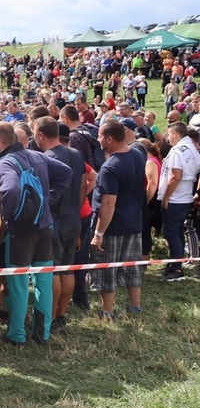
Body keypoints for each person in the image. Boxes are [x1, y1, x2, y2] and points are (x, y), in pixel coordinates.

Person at [0, 121, 72, 345]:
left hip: (21, 232)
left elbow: (10, 190)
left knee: (18, 282)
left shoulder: (7, 162)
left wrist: (10, 218)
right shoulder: (38, 156)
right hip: (45, 227)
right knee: (43, 280)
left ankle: (16, 334)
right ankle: (42, 332)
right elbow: (66, 172)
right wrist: (49, 199)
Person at [32, 117, 86, 332]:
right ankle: (61, 314)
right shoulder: (77, 154)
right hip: (73, 217)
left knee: (53, 270)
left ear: (40, 135)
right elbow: (84, 185)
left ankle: (51, 316)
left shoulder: (46, 158)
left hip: (55, 219)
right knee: (68, 269)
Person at [91, 120, 146, 318]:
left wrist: (99, 233)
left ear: (109, 139)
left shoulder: (110, 167)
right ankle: (135, 307)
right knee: (132, 267)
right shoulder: (138, 155)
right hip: (134, 222)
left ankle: (107, 312)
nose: (98, 140)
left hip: (112, 227)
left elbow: (108, 204)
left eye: (99, 136)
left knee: (107, 270)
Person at [157, 122, 200, 281]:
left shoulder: (177, 151)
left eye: (169, 135)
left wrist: (166, 197)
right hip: (185, 196)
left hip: (175, 198)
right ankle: (176, 261)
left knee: (171, 233)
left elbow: (175, 177)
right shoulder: (192, 148)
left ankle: (176, 268)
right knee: (178, 232)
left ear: (175, 134)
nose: (168, 138)